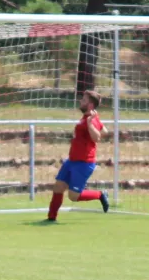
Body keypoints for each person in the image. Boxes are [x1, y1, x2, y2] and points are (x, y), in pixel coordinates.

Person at [47, 90, 110, 221]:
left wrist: (90, 124)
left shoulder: (89, 120)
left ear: (91, 105)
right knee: (58, 187)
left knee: (73, 196)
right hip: (72, 161)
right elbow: (105, 131)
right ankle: (51, 218)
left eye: (84, 100)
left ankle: (100, 194)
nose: (81, 101)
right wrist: (95, 123)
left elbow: (97, 138)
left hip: (83, 163)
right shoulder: (90, 117)